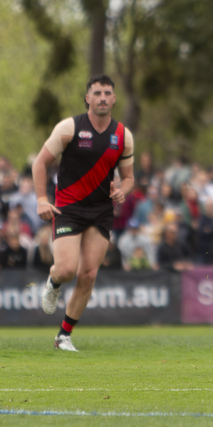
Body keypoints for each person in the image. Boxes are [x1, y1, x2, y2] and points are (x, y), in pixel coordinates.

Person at [32, 74, 134, 352]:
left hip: (101, 211)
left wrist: (123, 190)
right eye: (97, 93)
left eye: (107, 93)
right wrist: (41, 200)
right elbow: (40, 163)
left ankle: (63, 336)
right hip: (68, 208)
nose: (102, 98)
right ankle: (53, 282)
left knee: (88, 274)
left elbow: (128, 178)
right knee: (66, 270)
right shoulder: (69, 127)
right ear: (87, 98)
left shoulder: (123, 135)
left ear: (114, 99)